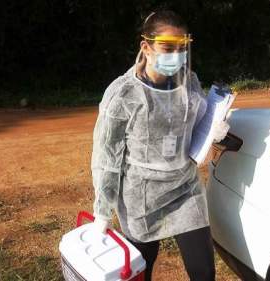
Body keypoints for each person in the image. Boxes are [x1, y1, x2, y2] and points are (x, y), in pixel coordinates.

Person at [90, 10, 229, 281]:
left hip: (185, 190)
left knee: (204, 272)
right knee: (141, 271)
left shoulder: (189, 82)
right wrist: (103, 212)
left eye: (181, 48)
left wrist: (216, 128)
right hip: (142, 198)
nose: (176, 56)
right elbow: (107, 157)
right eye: (168, 47)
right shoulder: (123, 94)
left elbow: (200, 120)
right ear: (147, 47)